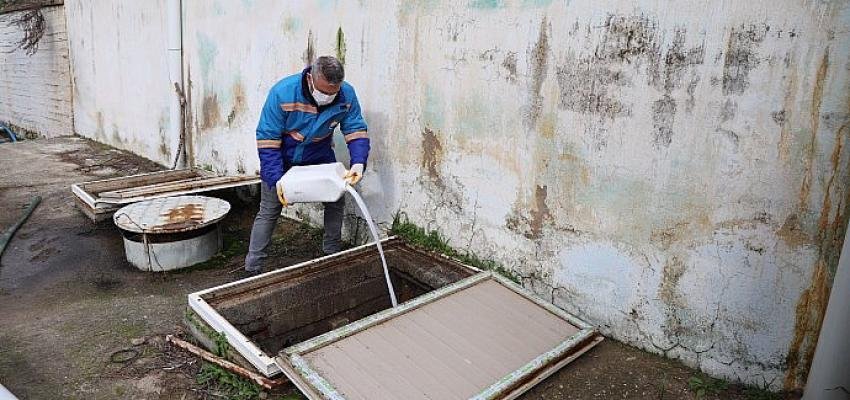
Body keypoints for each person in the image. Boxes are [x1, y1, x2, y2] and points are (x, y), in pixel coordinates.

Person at [244, 55, 369, 276]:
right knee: (269, 208)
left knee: (336, 200)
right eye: (323, 92)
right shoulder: (282, 93)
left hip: (318, 153)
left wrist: (359, 162)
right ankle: (253, 267)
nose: (328, 97)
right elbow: (267, 138)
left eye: (333, 93)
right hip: (282, 155)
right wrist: (276, 179)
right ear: (311, 78)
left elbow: (355, 129)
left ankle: (331, 254)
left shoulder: (347, 95)